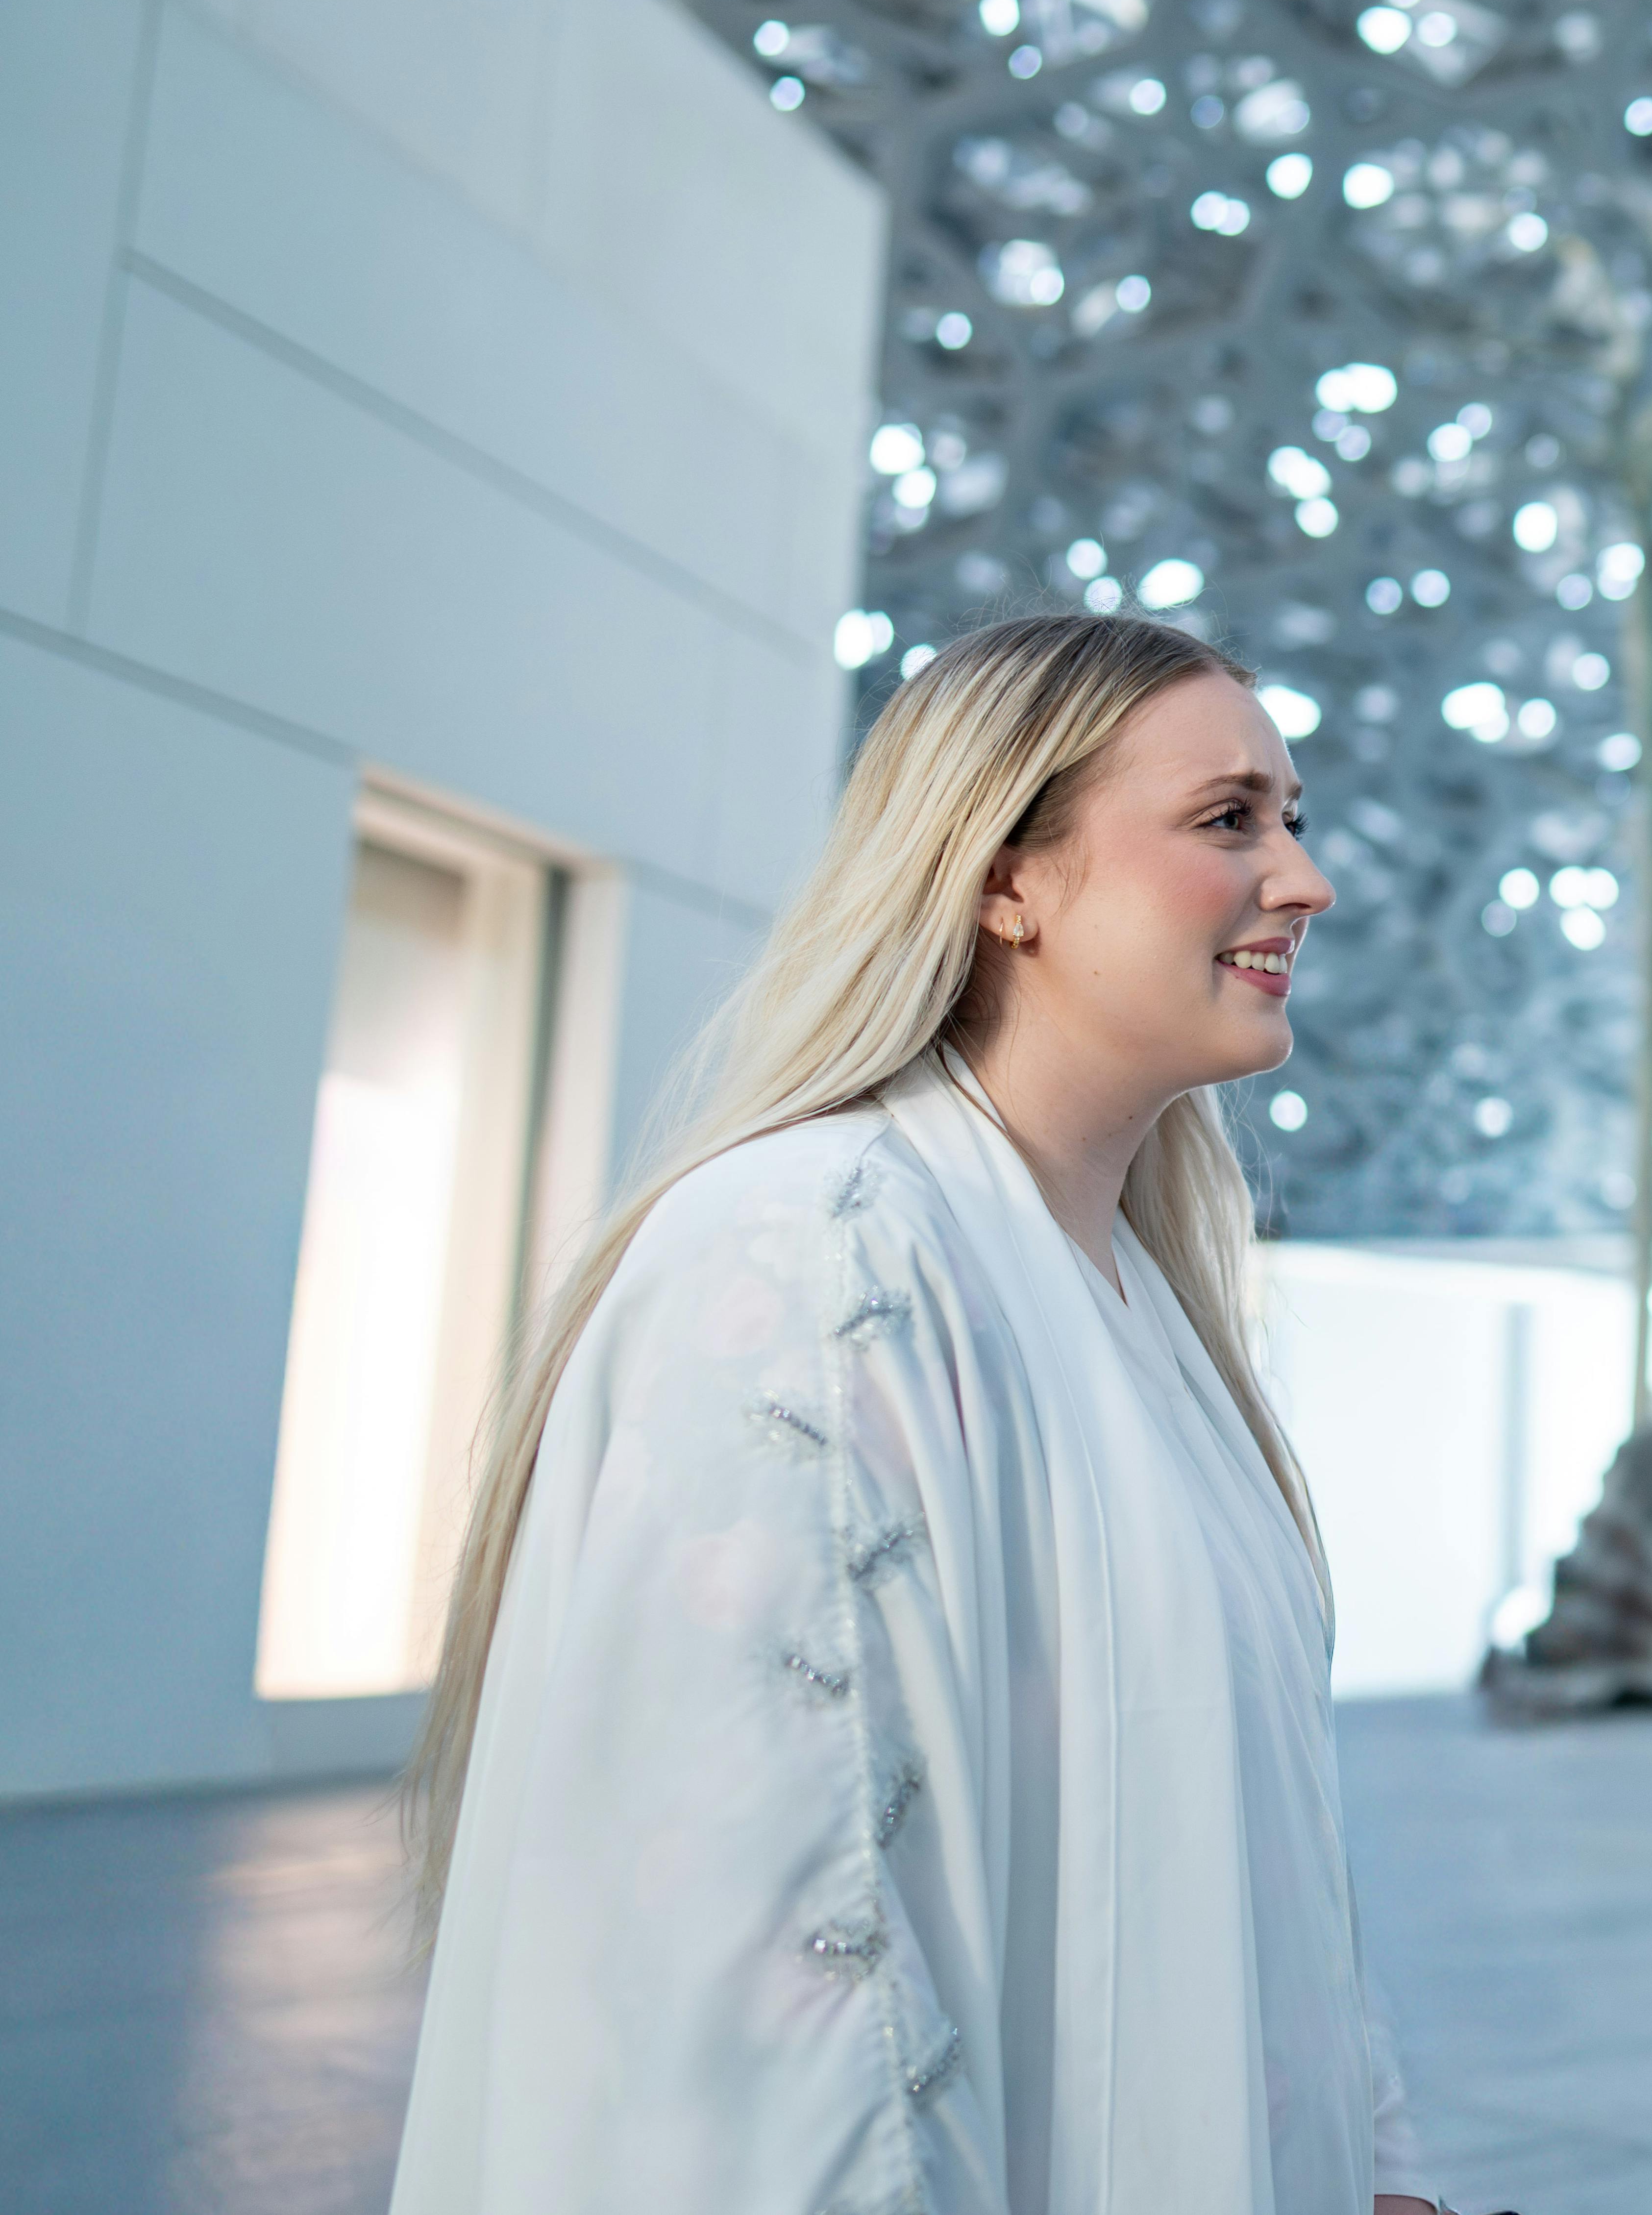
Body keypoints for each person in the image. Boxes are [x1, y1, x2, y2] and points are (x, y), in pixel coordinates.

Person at [388, 615, 1480, 2215]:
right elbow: (771, 1956)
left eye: (1292, 820)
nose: (1304, 882)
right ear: (1005, 877)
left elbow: (1273, 1863)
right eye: (1227, 819)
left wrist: (1376, 2172)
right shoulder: (818, 1254)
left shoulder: (1146, 1312)